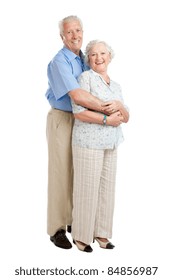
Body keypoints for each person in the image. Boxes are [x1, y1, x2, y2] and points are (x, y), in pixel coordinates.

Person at [45, 16, 121, 249]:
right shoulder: (60, 61)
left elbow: (96, 84)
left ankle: (76, 222)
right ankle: (57, 228)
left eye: (78, 30)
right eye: (69, 32)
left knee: (81, 173)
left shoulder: (84, 59)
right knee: (61, 174)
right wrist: (108, 110)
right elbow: (78, 96)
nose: (75, 35)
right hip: (64, 118)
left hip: (87, 122)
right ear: (62, 36)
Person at [71, 40, 129, 252]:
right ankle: (81, 237)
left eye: (103, 53)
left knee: (107, 189)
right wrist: (106, 119)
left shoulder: (116, 86)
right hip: (88, 142)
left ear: (110, 57)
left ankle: (102, 233)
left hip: (111, 142)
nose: (99, 58)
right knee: (87, 189)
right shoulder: (85, 78)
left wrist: (121, 106)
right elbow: (79, 111)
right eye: (93, 54)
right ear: (89, 59)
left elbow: (127, 117)